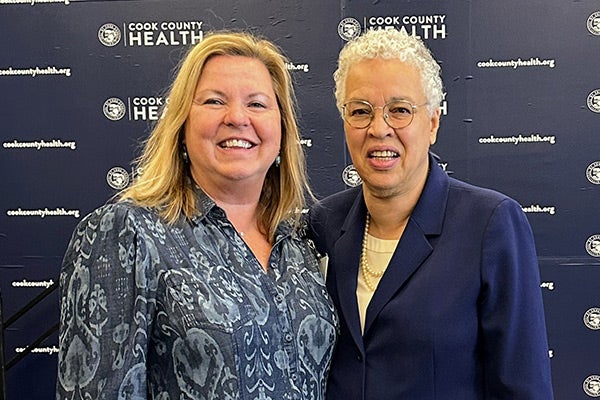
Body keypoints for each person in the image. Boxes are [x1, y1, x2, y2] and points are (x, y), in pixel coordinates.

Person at [56, 31, 338, 400]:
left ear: (282, 132)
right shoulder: (127, 232)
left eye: (257, 104)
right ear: (182, 126)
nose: (237, 117)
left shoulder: (298, 243)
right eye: (214, 101)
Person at [309, 28, 554, 399]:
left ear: (433, 123)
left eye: (400, 110)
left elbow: (523, 387)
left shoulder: (490, 224)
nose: (379, 129)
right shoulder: (322, 224)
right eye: (360, 111)